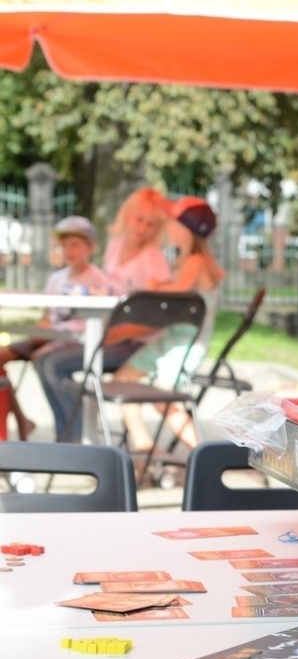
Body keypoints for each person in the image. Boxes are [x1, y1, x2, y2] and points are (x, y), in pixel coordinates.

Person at [35, 187, 173, 441]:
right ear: (127, 216)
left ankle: (78, 438)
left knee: (53, 364)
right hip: (103, 333)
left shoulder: (154, 258)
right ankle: (67, 436)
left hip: (131, 342)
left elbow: (158, 317)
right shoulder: (115, 247)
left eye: (151, 224)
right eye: (139, 220)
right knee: (43, 360)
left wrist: (116, 333)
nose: (143, 228)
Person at [112, 196, 225, 459]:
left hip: (186, 344)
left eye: (172, 221)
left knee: (162, 400)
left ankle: (206, 458)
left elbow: (179, 291)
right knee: (123, 379)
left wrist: (154, 286)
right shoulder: (183, 259)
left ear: (185, 229)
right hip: (170, 339)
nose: (166, 225)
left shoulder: (196, 261)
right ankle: (144, 446)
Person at [0, 216, 118, 440]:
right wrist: (40, 331)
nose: (68, 251)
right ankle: (22, 420)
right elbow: (47, 317)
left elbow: (95, 324)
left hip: (74, 340)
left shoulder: (99, 280)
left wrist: (51, 342)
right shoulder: (56, 278)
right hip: (50, 336)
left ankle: (72, 433)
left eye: (75, 245)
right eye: (64, 246)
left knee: (46, 362)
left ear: (90, 247)